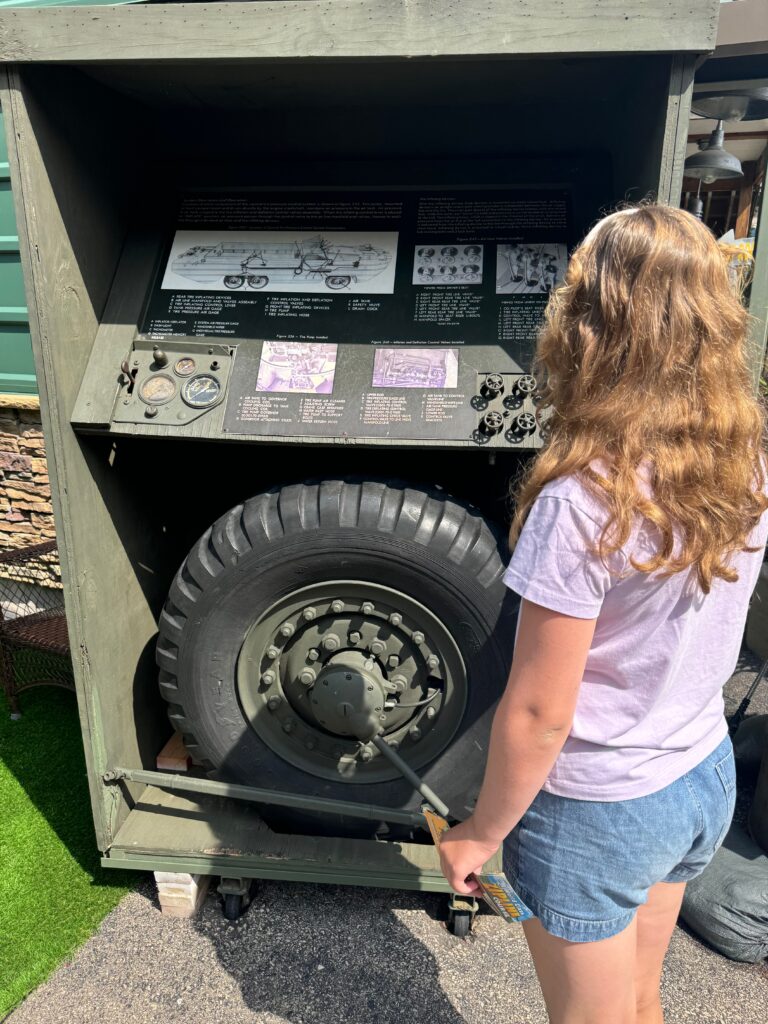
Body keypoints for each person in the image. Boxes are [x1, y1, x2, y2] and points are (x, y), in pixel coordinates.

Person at [438, 204, 768, 1024]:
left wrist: (480, 832)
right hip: (699, 773)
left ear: (590, 322)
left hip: (600, 807)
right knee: (640, 1000)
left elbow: (542, 712)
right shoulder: (747, 454)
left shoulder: (585, 497)